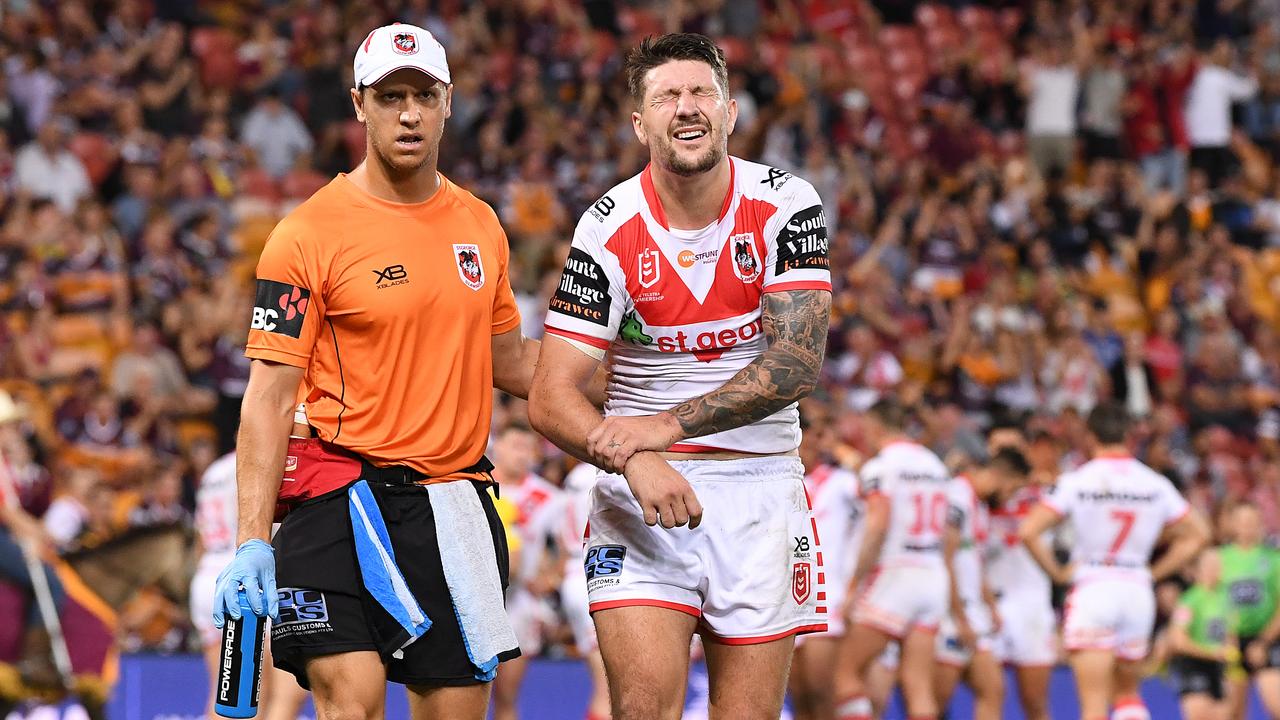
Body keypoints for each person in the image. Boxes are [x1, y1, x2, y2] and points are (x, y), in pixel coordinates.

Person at [212, 23, 559, 720]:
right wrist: (251, 538)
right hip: (335, 495)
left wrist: (632, 376)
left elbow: (512, 364)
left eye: (424, 95)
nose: (409, 113)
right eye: (391, 95)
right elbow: (270, 398)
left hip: (452, 504)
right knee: (354, 703)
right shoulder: (305, 234)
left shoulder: (481, 225)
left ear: (449, 103)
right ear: (358, 104)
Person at [528, 32, 832, 720]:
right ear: (641, 124)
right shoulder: (606, 228)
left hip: (759, 490)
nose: (686, 107)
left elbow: (794, 364)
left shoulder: (786, 202)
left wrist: (659, 430)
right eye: (667, 96)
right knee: (640, 708)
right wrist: (635, 462)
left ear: (729, 113)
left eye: (702, 93)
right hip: (638, 498)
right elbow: (549, 397)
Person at [1019, 401, 1210, 720]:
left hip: (1094, 584)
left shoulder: (1079, 480)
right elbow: (1201, 533)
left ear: (1090, 436)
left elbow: (1028, 531)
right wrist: (1154, 571)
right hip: (1136, 589)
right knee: (1127, 694)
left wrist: (1057, 572)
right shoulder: (1154, 483)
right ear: (1130, 436)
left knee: (1093, 704)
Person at [833, 399, 952, 720]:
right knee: (918, 686)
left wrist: (854, 583)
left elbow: (877, 527)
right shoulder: (935, 465)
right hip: (933, 572)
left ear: (875, 426)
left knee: (843, 673)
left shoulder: (881, 466)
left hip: (896, 573)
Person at [191, 449, 308, 719]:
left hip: (209, 574)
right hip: (249, 576)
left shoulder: (214, 471)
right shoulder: (265, 460)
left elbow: (200, 536)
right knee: (276, 694)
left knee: (226, 694)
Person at [933, 447, 1032, 720]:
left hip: (972, 613)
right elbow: (946, 559)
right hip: (949, 615)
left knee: (994, 690)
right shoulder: (957, 496)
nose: (1011, 496)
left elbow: (973, 562)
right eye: (1014, 488)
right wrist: (960, 617)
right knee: (935, 704)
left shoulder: (980, 505)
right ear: (1004, 477)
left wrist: (990, 606)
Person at [490, 424, 565, 720]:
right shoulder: (474, 487)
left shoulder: (549, 498)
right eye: (515, 446)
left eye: (527, 447)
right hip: (473, 600)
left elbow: (568, 548)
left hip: (518, 603)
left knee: (506, 698)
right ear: (498, 448)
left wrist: (549, 580)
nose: (521, 454)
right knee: (467, 695)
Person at [789, 416, 861, 720]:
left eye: (815, 437)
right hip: (790, 599)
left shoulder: (844, 482)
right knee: (800, 698)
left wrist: (856, 585)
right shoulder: (785, 482)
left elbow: (877, 516)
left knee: (822, 694)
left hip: (829, 596)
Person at [985, 428, 1058, 720]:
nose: (1003, 453)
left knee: (1034, 702)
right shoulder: (974, 494)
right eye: (996, 447)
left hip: (1031, 603)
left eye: (1010, 447)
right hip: (987, 602)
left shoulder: (1047, 494)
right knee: (988, 695)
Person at [557, 460, 611, 720]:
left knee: (605, 684)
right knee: (610, 687)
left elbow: (558, 531)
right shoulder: (601, 473)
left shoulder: (574, 476)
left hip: (574, 572)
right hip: (598, 575)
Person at [1221, 503, 1280, 719]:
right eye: (1243, 521)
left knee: (1276, 705)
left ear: (1261, 524)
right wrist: (1226, 636)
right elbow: (1211, 602)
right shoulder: (1220, 558)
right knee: (1232, 712)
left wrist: (1263, 642)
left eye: (1253, 522)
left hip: (1268, 639)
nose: (1248, 527)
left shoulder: (1273, 559)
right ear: (1233, 525)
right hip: (1230, 641)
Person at [1168, 549, 1236, 720]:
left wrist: (1229, 650)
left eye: (1218, 565)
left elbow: (1229, 631)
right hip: (1192, 666)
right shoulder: (1189, 600)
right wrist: (1211, 653)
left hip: (1218, 668)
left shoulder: (1224, 597)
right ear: (1199, 570)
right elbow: (1178, 640)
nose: (1216, 570)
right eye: (1210, 566)